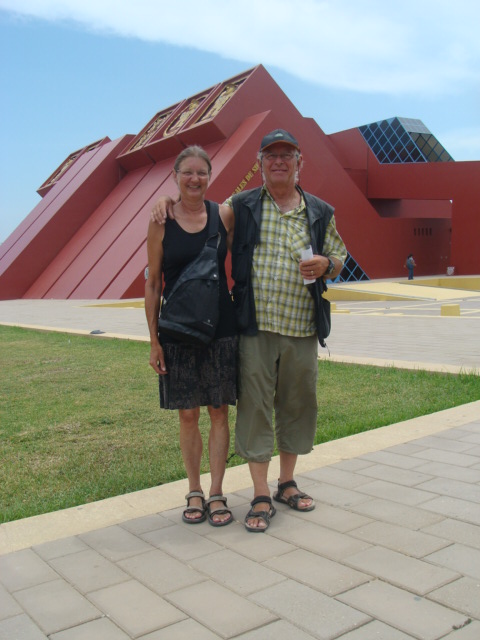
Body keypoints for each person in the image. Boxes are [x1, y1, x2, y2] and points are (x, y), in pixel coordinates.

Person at [151, 129, 347, 532]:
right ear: (259, 163)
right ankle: (259, 492)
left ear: (299, 162)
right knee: (254, 408)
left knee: (296, 403)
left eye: (287, 155)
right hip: (253, 326)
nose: (279, 161)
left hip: (301, 326)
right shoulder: (240, 206)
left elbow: (340, 255)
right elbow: (194, 208)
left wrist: (327, 265)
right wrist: (168, 201)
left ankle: (286, 483)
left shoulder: (320, 211)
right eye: (271, 155)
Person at [145, 145, 237, 527]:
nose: (194, 179)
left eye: (201, 172)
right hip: (178, 331)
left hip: (221, 329)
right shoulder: (160, 221)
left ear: (210, 176)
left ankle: (217, 492)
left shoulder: (224, 215)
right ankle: (194, 489)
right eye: (187, 173)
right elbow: (153, 284)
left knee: (218, 410)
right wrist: (153, 341)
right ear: (176, 177)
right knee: (187, 414)